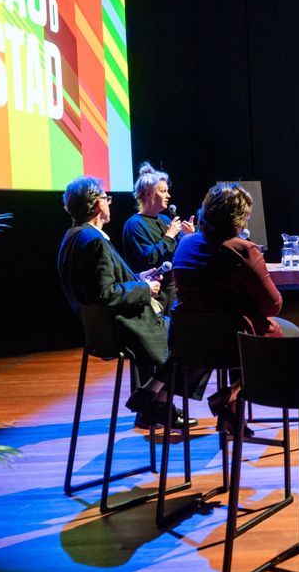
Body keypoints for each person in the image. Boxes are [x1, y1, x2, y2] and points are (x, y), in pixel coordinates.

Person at [57, 175, 196, 429]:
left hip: (101, 331)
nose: (109, 203)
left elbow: (101, 286)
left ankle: (154, 401)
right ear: (97, 204)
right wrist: (144, 289)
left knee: (188, 336)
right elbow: (105, 294)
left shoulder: (73, 236)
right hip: (124, 329)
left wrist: (138, 279)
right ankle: (154, 401)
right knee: (195, 338)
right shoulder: (94, 241)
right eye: (106, 198)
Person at [172, 182, 299, 431]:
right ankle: (231, 393)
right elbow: (273, 306)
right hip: (232, 341)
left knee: (237, 329)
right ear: (238, 217)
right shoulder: (242, 249)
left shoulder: (185, 244)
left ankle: (232, 419)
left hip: (190, 342)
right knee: (286, 334)